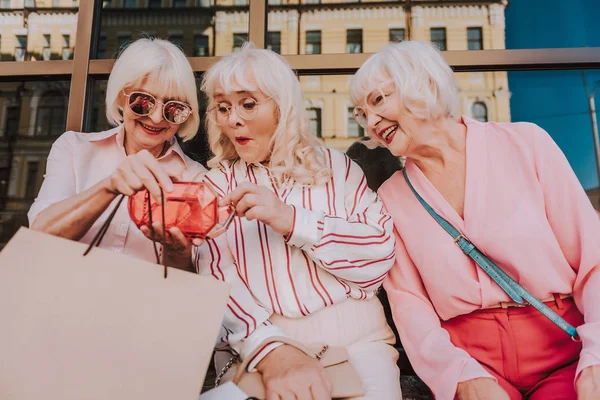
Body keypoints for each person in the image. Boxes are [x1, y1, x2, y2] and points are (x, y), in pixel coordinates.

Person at [349, 40, 600, 400]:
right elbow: (409, 305)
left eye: (378, 101)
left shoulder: (527, 144)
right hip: (472, 361)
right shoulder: (391, 196)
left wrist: (595, 357)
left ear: (426, 85)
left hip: (563, 351)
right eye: (360, 113)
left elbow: (594, 262)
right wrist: (459, 375)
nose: (370, 122)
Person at [196, 44, 401, 400]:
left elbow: (378, 257)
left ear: (283, 106)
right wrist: (269, 349)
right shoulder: (213, 185)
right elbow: (217, 284)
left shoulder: (338, 168)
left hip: (358, 344)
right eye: (223, 107)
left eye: (248, 104)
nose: (232, 119)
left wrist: (292, 221)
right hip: (259, 350)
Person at [28, 38, 205, 269]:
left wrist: (177, 251)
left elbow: (188, 280)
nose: (156, 118)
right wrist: (109, 186)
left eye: (174, 109)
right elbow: (39, 236)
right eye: (143, 102)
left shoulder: (195, 178)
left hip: (143, 302)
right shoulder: (74, 149)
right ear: (122, 96)